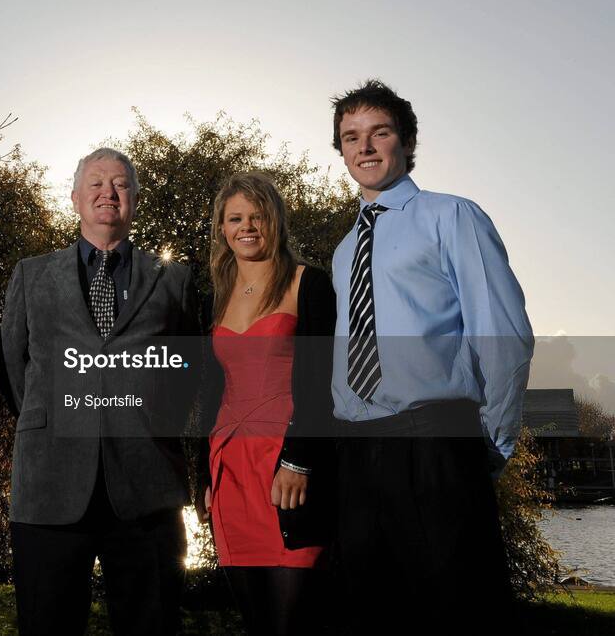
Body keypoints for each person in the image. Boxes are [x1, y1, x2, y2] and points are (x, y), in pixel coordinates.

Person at [328, 80, 534, 635]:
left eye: (380, 133)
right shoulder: (344, 250)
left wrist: (490, 440)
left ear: (407, 141)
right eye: (351, 138)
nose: (364, 148)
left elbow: (504, 333)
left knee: (457, 609)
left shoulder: (453, 216)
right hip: (359, 453)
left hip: (437, 442)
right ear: (341, 150)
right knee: (374, 611)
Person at [1, 147, 199, 635]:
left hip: (147, 488)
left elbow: (189, 371)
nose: (108, 193)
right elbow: (12, 366)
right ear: (74, 198)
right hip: (50, 486)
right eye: (96, 183)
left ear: (134, 199)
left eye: (120, 184)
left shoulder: (174, 279)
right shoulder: (31, 274)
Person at [196, 172, 336, 636]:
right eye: (235, 218)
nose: (246, 227)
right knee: (254, 621)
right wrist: (204, 476)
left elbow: (324, 384)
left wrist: (300, 461)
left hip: (287, 468)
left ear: (275, 220)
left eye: (257, 216)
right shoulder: (213, 298)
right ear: (221, 228)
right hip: (229, 470)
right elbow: (208, 394)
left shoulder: (309, 284)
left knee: (293, 622)